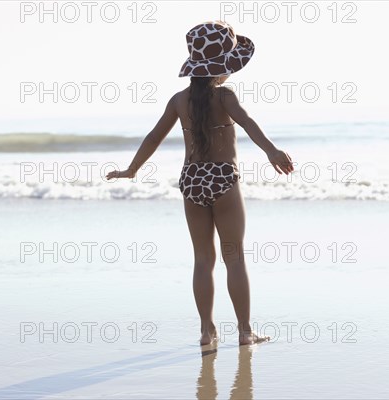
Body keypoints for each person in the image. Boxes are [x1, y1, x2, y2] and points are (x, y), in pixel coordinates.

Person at [106, 21, 294, 345]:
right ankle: (246, 332)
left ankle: (207, 332)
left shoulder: (180, 100)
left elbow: (154, 137)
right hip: (222, 177)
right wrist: (272, 151)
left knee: (203, 260)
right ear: (223, 66)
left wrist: (132, 169)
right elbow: (247, 122)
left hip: (192, 180)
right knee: (233, 256)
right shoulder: (224, 96)